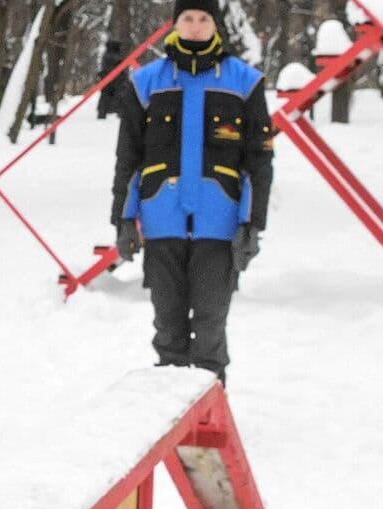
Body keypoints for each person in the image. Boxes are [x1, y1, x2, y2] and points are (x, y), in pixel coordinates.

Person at [109, 0, 272, 384]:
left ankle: (210, 422)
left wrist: (253, 224)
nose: (196, 26)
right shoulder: (145, 81)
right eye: (188, 19)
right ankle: (171, 418)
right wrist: (122, 218)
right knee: (168, 328)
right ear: (176, 24)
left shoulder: (245, 82)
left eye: (203, 19)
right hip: (160, 218)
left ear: (215, 26)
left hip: (219, 224)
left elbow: (258, 162)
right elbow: (128, 156)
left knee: (211, 327)